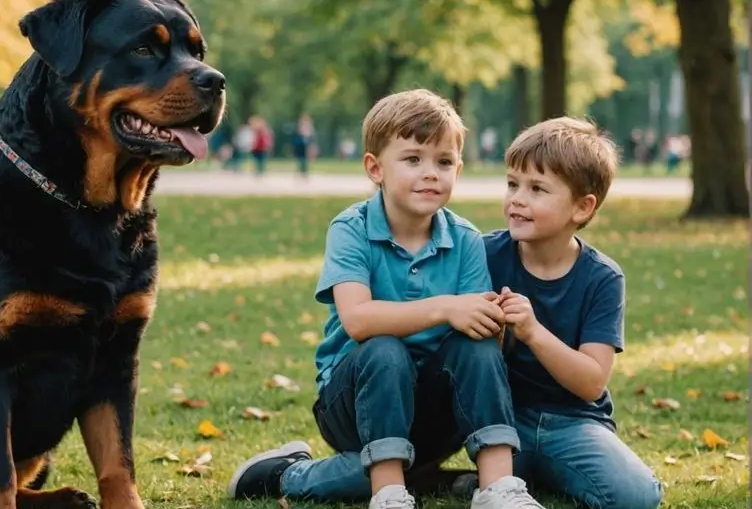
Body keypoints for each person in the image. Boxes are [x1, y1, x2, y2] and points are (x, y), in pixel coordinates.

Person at [228, 89, 544, 509]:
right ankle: (377, 489)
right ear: (375, 168)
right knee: (384, 349)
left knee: (478, 343)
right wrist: (447, 308)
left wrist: (495, 318)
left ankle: (497, 487)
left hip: (433, 411)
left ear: (459, 169)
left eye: (444, 162)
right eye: (413, 159)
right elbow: (358, 321)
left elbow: (480, 339)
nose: (430, 173)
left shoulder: (466, 238)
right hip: (356, 404)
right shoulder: (351, 228)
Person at [473, 117, 662, 508]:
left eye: (537, 188)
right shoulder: (483, 254)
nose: (517, 199)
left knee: (638, 496)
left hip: (575, 424)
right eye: (512, 184)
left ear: (582, 207)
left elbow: (592, 382)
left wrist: (532, 332)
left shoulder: (603, 278)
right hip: (501, 421)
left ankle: (533, 474)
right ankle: (504, 476)